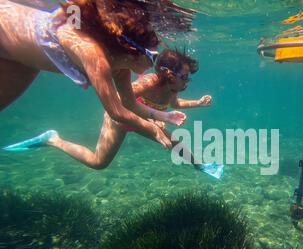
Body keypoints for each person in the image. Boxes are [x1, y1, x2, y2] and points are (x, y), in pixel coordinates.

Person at [3, 49, 224, 179]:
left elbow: (175, 103)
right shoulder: (149, 82)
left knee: (175, 142)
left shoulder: (172, 88)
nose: (187, 81)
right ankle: (53, 139)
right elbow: (118, 102)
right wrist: (150, 122)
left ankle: (202, 166)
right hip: (119, 119)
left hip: (148, 120)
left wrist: (198, 103)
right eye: (184, 77)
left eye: (188, 78)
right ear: (167, 73)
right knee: (98, 162)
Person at [0, 0, 192, 149]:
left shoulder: (121, 67)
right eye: (153, 57)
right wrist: (152, 129)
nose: (154, 65)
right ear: (131, 50)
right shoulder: (95, 57)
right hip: (5, 27)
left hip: (23, 59)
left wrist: (164, 116)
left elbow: (129, 103)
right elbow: (115, 111)